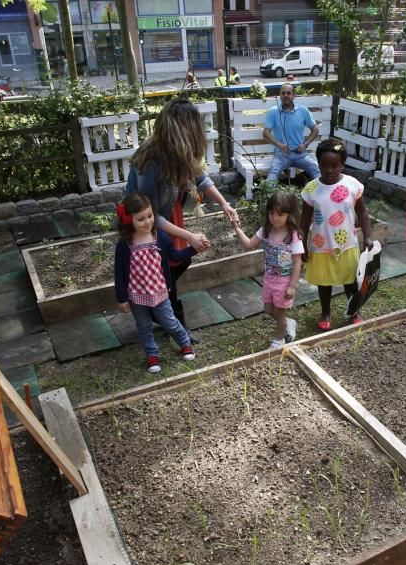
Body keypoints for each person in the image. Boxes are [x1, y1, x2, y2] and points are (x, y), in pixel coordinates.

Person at [126, 98, 240, 335]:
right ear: (183, 129)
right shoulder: (150, 162)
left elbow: (199, 177)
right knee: (165, 267)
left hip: (169, 213)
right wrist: (189, 236)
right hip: (143, 223)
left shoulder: (180, 152)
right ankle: (171, 319)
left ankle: (162, 309)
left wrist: (224, 204)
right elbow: (150, 216)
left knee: (177, 262)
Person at [114, 193, 198, 373]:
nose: (147, 222)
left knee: (169, 321)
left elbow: (174, 256)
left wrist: (193, 249)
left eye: (150, 216)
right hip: (136, 296)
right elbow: (119, 273)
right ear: (129, 220)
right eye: (141, 219)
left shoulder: (160, 237)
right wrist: (121, 298)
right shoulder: (124, 244)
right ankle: (152, 355)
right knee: (144, 327)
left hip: (159, 291)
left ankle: (184, 342)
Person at [300, 140, 371, 331]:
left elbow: (363, 212)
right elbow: (304, 221)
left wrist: (368, 236)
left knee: (350, 281)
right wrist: (302, 244)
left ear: (342, 165)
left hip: (347, 245)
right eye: (324, 165)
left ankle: (354, 310)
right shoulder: (311, 190)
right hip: (321, 246)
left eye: (335, 165)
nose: (329, 170)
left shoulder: (352, 185)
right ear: (318, 164)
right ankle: (325, 312)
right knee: (325, 284)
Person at [232, 190, 303, 349]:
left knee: (280, 312)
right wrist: (236, 227)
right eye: (271, 213)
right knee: (269, 310)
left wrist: (292, 286)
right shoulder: (265, 230)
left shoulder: (293, 236)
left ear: (289, 214)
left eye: (280, 214)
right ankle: (287, 323)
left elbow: (297, 262)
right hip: (269, 279)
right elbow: (249, 244)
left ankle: (280, 339)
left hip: (284, 282)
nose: (275, 218)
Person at [263, 83, 321, 183]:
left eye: (288, 93)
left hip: (300, 154)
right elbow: (265, 133)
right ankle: (268, 197)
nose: (286, 95)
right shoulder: (273, 111)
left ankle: (323, 195)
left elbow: (315, 129)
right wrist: (279, 145)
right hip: (281, 154)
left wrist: (305, 144)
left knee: (316, 169)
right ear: (280, 96)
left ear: (293, 95)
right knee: (273, 171)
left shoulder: (302, 110)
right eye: (283, 93)